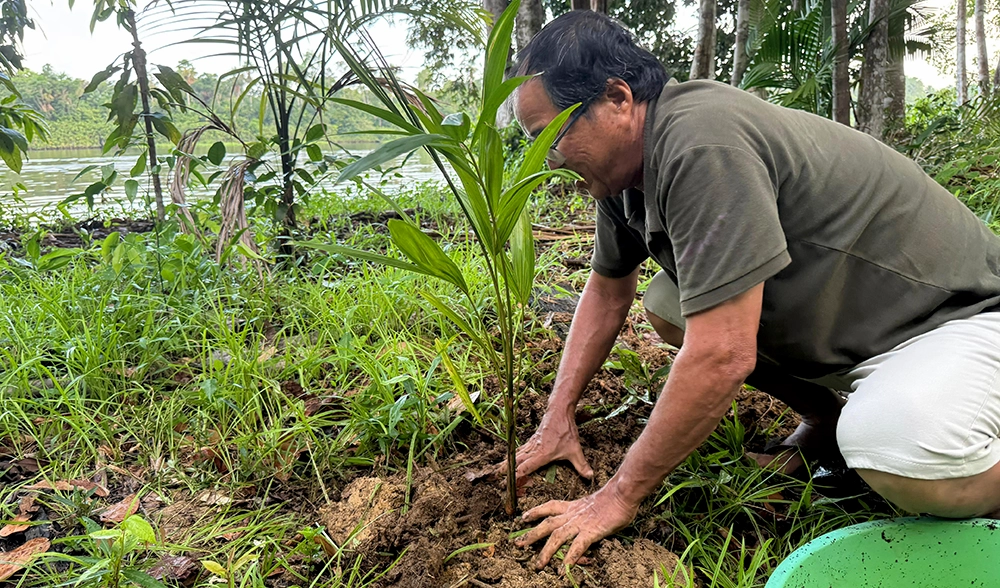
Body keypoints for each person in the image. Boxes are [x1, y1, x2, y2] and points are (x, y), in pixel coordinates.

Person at [507, 9, 1000, 572]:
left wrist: (615, 497)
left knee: (893, 451)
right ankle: (825, 420)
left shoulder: (700, 141)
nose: (547, 159)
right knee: (669, 305)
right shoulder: (622, 177)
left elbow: (723, 352)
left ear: (617, 98)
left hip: (959, 318)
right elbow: (606, 292)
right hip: (863, 330)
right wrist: (557, 417)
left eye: (552, 135)